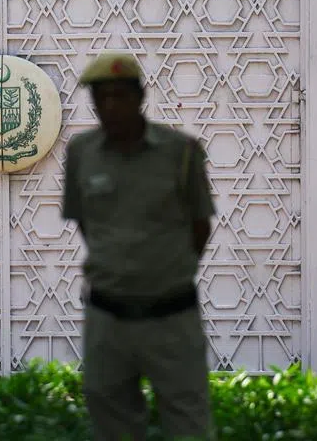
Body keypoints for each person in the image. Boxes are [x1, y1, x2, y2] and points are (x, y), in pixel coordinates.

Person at [62, 52, 217, 441]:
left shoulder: (180, 153)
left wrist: (161, 271)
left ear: (140, 96)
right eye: (102, 98)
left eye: (119, 96)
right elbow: (86, 223)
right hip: (107, 318)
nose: (110, 107)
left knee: (188, 423)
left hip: (171, 316)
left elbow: (200, 226)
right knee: (111, 423)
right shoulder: (81, 154)